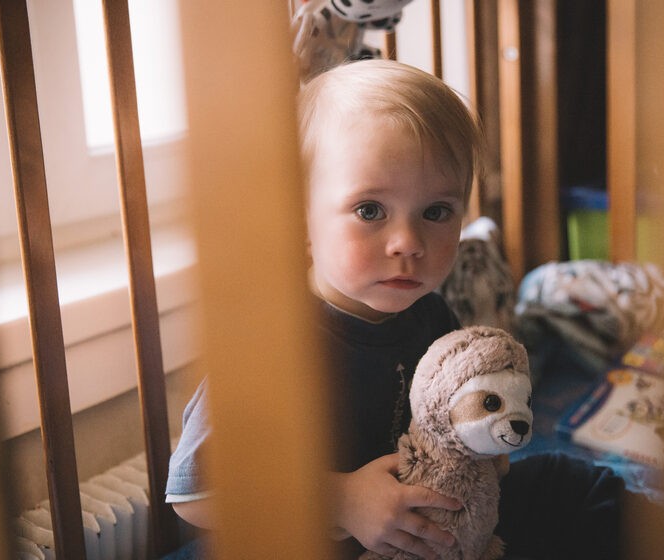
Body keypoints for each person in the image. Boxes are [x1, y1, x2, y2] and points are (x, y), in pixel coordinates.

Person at [166, 59, 624, 560]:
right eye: (370, 210)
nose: (408, 242)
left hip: (432, 525)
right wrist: (341, 500)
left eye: (436, 212)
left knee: (571, 482)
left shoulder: (432, 316)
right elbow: (194, 495)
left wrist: (480, 451)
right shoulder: (268, 342)